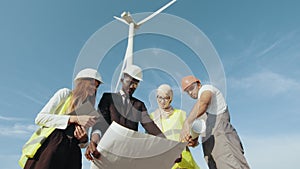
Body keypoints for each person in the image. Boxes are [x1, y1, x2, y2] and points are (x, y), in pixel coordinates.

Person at [19, 68, 103, 169]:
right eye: (92, 84)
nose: (94, 89)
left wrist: (84, 139)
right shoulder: (65, 94)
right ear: (83, 82)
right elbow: (40, 118)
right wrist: (73, 119)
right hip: (53, 144)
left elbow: (83, 145)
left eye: (97, 86)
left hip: (72, 154)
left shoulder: (89, 110)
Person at [85, 65, 165, 162]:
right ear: (122, 79)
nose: (132, 87)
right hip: (108, 151)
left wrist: (167, 144)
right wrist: (94, 140)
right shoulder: (108, 98)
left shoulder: (139, 105)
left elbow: (150, 125)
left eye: (135, 84)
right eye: (129, 82)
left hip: (128, 153)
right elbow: (100, 122)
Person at [180, 75, 250, 169]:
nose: (190, 92)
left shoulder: (207, 89)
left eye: (191, 88)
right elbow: (198, 131)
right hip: (210, 152)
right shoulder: (200, 114)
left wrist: (187, 122)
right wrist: (193, 140)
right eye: (187, 91)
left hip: (223, 142)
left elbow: (204, 102)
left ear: (199, 84)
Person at [150, 84, 200, 169]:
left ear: (171, 99)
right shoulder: (152, 117)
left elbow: (190, 137)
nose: (162, 101)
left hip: (184, 162)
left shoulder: (181, 114)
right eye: (159, 97)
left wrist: (193, 141)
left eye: (166, 98)